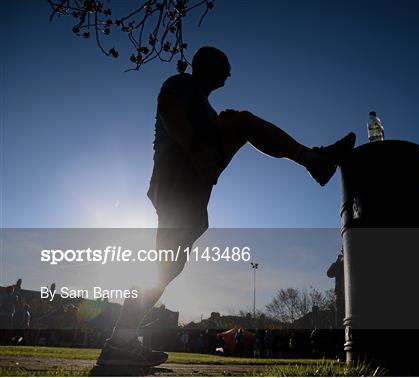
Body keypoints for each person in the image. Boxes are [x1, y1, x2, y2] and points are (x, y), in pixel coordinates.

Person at [97, 46, 356, 367]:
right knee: (241, 122)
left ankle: (121, 340)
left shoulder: (203, 106)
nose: (230, 74)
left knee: (167, 267)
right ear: (210, 66)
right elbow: (167, 106)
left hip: (188, 178)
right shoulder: (182, 83)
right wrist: (194, 148)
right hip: (178, 170)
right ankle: (314, 160)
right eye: (226, 67)